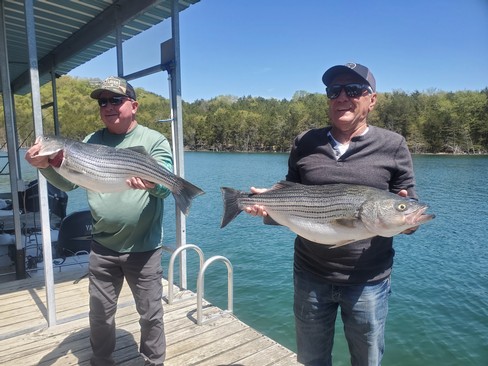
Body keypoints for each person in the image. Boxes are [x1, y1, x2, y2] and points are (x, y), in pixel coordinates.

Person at [246, 63, 419, 366]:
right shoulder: (305, 142)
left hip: (369, 281)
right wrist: (267, 206)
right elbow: (291, 194)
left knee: (366, 361)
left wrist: (403, 218)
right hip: (310, 276)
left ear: (371, 99)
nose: (342, 97)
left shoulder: (393, 145)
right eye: (333, 91)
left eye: (353, 90)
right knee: (311, 360)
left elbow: (409, 203)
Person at [25, 76, 171, 366]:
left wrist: (152, 183)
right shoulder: (91, 141)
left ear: (134, 105)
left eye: (115, 100)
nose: (108, 106)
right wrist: (46, 167)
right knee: (100, 314)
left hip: (144, 248)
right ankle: (101, 362)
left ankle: (154, 362)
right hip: (102, 246)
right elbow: (70, 184)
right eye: (102, 101)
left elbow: (166, 186)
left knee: (150, 314)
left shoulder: (154, 140)